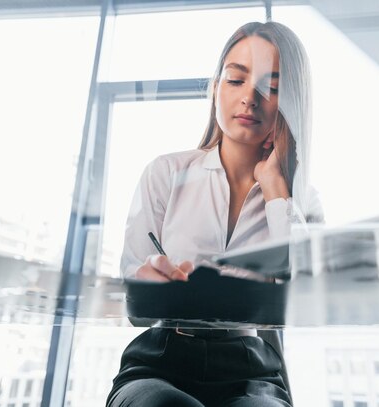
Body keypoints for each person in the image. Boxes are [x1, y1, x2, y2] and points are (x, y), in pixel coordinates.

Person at [107, 21, 323, 407]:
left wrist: (275, 187)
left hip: (251, 370)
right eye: (236, 80)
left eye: (270, 88)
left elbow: (305, 301)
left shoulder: (301, 202)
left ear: (290, 102)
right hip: (160, 358)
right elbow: (133, 308)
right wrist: (146, 285)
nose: (249, 99)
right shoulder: (165, 172)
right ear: (215, 87)